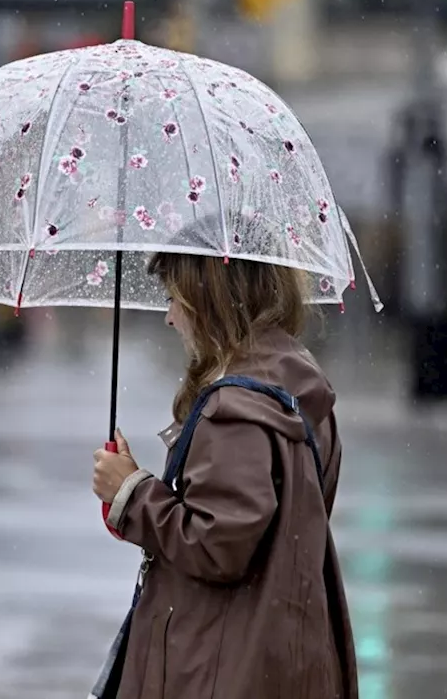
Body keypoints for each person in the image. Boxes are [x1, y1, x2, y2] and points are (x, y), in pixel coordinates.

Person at [91, 251, 358, 699]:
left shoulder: (233, 411)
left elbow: (217, 547)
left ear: (207, 299)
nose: (170, 318)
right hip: (287, 653)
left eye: (175, 299)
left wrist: (130, 494)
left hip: (221, 665)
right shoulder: (299, 392)